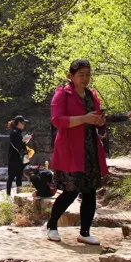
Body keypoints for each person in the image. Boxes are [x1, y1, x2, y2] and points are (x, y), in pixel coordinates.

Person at [45, 59, 108, 245]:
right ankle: (52, 225)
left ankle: (85, 232)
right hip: (70, 149)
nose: (85, 78)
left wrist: (99, 121)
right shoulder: (63, 94)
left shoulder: (91, 95)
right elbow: (57, 120)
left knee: (90, 191)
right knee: (70, 191)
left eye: (88, 75)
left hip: (90, 148)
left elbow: (96, 120)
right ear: (70, 76)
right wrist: (84, 118)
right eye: (81, 75)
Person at [6, 115, 29, 196]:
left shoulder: (18, 132)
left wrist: (24, 140)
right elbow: (17, 146)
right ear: (19, 123)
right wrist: (24, 141)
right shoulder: (14, 132)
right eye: (23, 123)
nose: (24, 125)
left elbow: (20, 144)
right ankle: (8, 194)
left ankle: (19, 195)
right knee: (11, 177)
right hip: (14, 158)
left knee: (19, 176)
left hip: (18, 158)